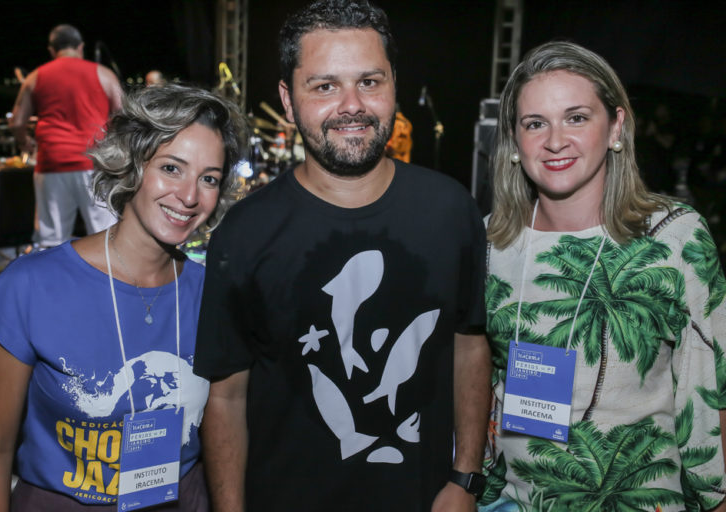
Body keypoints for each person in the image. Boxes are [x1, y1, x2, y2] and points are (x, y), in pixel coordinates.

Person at [193, 1, 491, 511]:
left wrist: (466, 479)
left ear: (393, 84)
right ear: (288, 100)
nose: (352, 105)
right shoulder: (244, 232)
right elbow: (226, 396)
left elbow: (470, 346)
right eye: (325, 86)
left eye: (369, 82)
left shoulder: (451, 210)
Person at [0, 84, 245, 511]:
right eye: (172, 168)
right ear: (132, 164)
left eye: (208, 178)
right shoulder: (30, 287)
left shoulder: (216, 295)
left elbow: (229, 422)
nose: (190, 196)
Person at [480, 41, 726, 512]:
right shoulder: (490, 244)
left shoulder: (673, 237)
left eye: (576, 117)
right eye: (535, 123)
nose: (555, 141)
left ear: (615, 126)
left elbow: (710, 389)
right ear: (514, 139)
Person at [9, 24, 123, 248]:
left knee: (51, 240)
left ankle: (53, 272)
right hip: (95, 162)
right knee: (106, 237)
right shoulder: (103, 74)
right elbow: (123, 116)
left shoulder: (35, 77)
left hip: (52, 163)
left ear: (52, 50)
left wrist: (25, 142)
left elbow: (17, 121)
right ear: (80, 47)